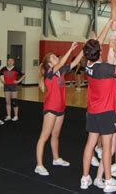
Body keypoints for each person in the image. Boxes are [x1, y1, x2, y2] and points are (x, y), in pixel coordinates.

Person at [80, 20, 116, 192]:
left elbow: (93, 45)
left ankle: (85, 178)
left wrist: (107, 26)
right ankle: (108, 181)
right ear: (100, 53)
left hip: (92, 112)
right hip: (106, 112)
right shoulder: (106, 68)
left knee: (90, 144)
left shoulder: (88, 65)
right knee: (107, 147)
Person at [35, 42, 83, 176]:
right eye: (54, 57)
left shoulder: (60, 72)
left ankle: (56, 159)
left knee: (55, 135)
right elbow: (61, 63)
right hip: (51, 108)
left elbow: (75, 63)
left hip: (61, 108)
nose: (56, 58)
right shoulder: (49, 73)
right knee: (44, 137)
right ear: (49, 63)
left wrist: (83, 50)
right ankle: (39, 165)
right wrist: (70, 49)